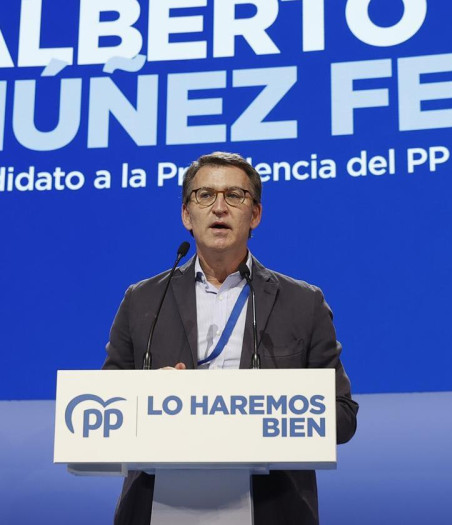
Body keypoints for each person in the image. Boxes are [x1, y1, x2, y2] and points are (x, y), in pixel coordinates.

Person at [103, 151, 359, 524]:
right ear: (186, 215)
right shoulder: (143, 299)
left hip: (269, 505)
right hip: (159, 504)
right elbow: (107, 406)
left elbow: (343, 417)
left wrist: (269, 408)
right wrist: (149, 394)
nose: (219, 208)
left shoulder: (303, 303)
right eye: (204, 195)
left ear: (255, 214)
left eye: (234, 196)